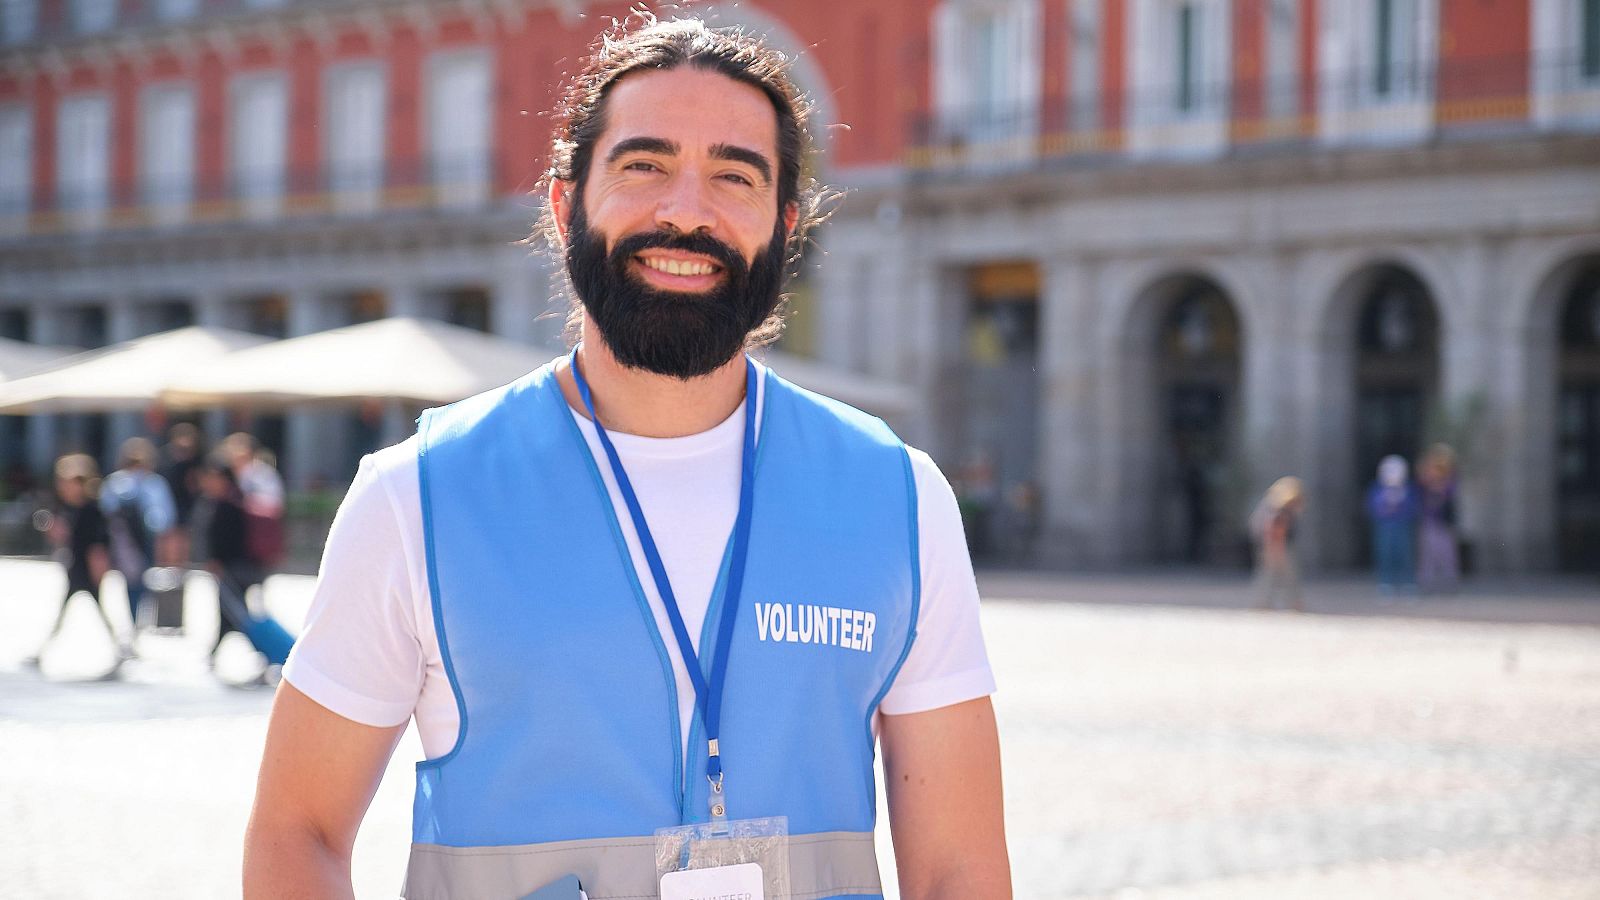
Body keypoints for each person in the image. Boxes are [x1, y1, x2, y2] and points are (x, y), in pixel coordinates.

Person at [245, 18, 1011, 900]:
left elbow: (960, 868)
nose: (686, 211)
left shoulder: (898, 496)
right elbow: (295, 831)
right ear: (566, 204)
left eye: (735, 175)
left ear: (784, 223)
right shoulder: (416, 496)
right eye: (644, 166)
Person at [25, 454, 125, 669]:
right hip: (75, 566)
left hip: (86, 569)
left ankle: (120, 648)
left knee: (95, 608)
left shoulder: (91, 509)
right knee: (74, 610)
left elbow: (98, 542)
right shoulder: (71, 508)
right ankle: (119, 647)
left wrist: (99, 566)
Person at [100, 436, 177, 635]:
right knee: (142, 581)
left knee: (135, 582)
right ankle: (139, 619)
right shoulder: (151, 483)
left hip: (125, 541)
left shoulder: (116, 483)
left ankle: (136, 619)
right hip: (140, 541)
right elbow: (164, 517)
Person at [189, 457, 257, 670]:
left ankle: (261, 650)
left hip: (233, 568)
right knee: (231, 613)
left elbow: (231, 539)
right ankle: (220, 651)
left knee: (238, 614)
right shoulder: (215, 502)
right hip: (227, 567)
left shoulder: (231, 504)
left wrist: (218, 561)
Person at [1250, 476, 1306, 611]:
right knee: (1281, 576)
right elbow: (1275, 530)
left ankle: (1265, 603)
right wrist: (1276, 549)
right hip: (1277, 546)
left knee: (1271, 575)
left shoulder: (1274, 505)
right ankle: (1290, 603)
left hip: (1273, 546)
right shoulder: (1281, 509)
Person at [1366, 454, 1419, 595]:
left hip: (1402, 525)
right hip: (1385, 526)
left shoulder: (1408, 489)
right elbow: (1372, 507)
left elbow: (1414, 507)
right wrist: (1386, 505)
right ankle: (1386, 582)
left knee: (1404, 555)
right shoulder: (1377, 489)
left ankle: (1407, 582)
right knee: (1385, 554)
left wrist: (1400, 503)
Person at [1416, 443, 1461, 594]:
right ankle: (1427, 583)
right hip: (1430, 521)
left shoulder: (1450, 482)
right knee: (1428, 553)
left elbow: (1449, 493)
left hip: (1444, 522)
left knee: (1446, 552)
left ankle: (1448, 582)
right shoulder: (1426, 481)